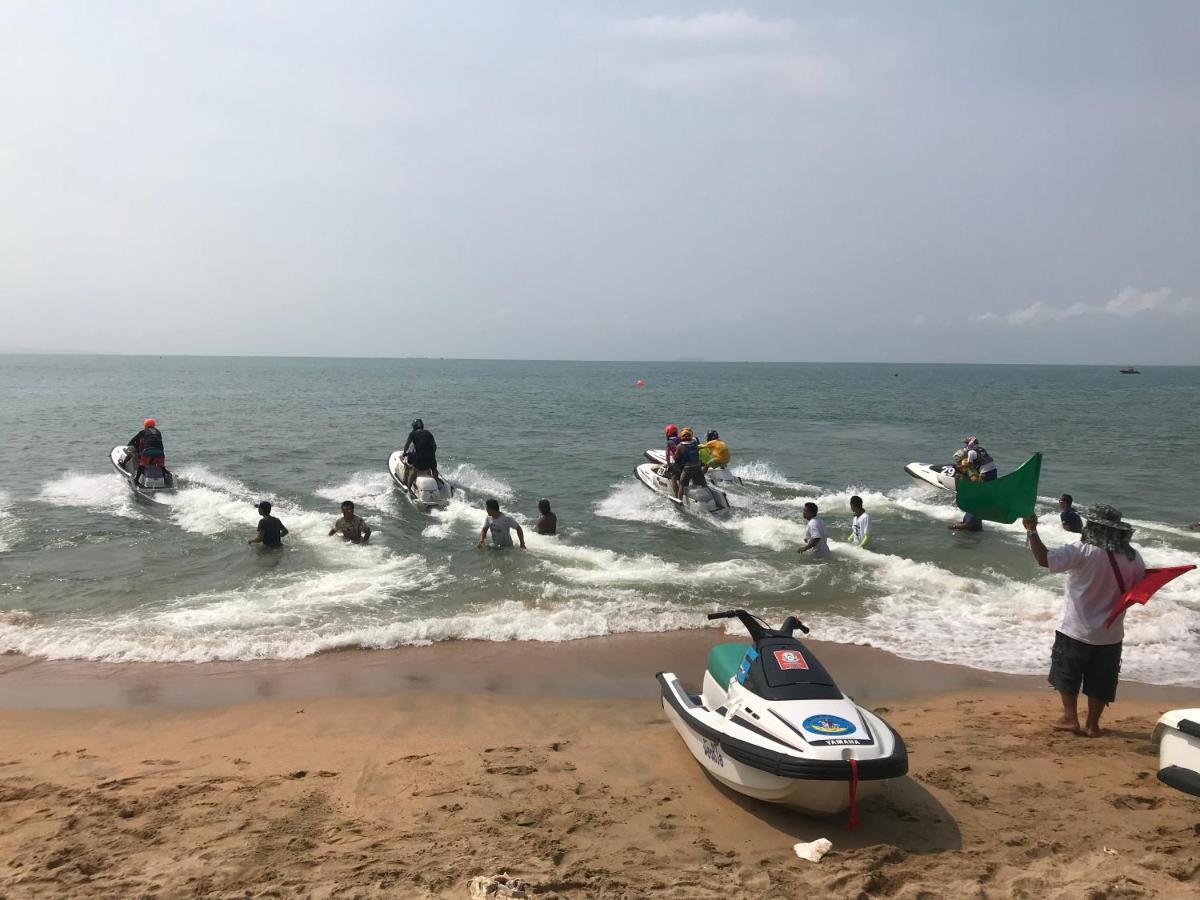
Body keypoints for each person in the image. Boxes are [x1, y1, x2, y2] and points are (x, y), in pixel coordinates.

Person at [1022, 505, 1146, 737]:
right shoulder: (1133, 557)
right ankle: (1092, 724)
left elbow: (1044, 559)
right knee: (1101, 680)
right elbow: (1139, 589)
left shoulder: (1082, 550)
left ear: (1093, 527)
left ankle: (1070, 718)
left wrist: (1031, 531)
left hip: (1076, 629)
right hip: (1111, 633)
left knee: (1067, 674)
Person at [127, 417, 171, 488]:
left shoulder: (143, 432)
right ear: (154, 425)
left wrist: (129, 445)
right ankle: (165, 480)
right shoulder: (158, 432)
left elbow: (134, 440)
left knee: (142, 465)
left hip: (148, 451)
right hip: (160, 452)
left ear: (145, 425)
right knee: (161, 466)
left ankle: (136, 480)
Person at [402, 419, 440, 488]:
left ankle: (409, 488)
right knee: (434, 468)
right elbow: (435, 446)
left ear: (414, 427)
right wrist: (432, 454)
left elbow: (407, 444)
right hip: (431, 455)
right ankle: (437, 482)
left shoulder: (412, 434)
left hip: (420, 456)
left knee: (414, 469)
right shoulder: (428, 433)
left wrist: (404, 453)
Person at [673, 428, 706, 499]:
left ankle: (679, 501)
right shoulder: (695, 442)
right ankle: (708, 497)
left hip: (687, 468)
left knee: (682, 485)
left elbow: (675, 458)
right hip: (698, 466)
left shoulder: (680, 446)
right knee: (702, 484)